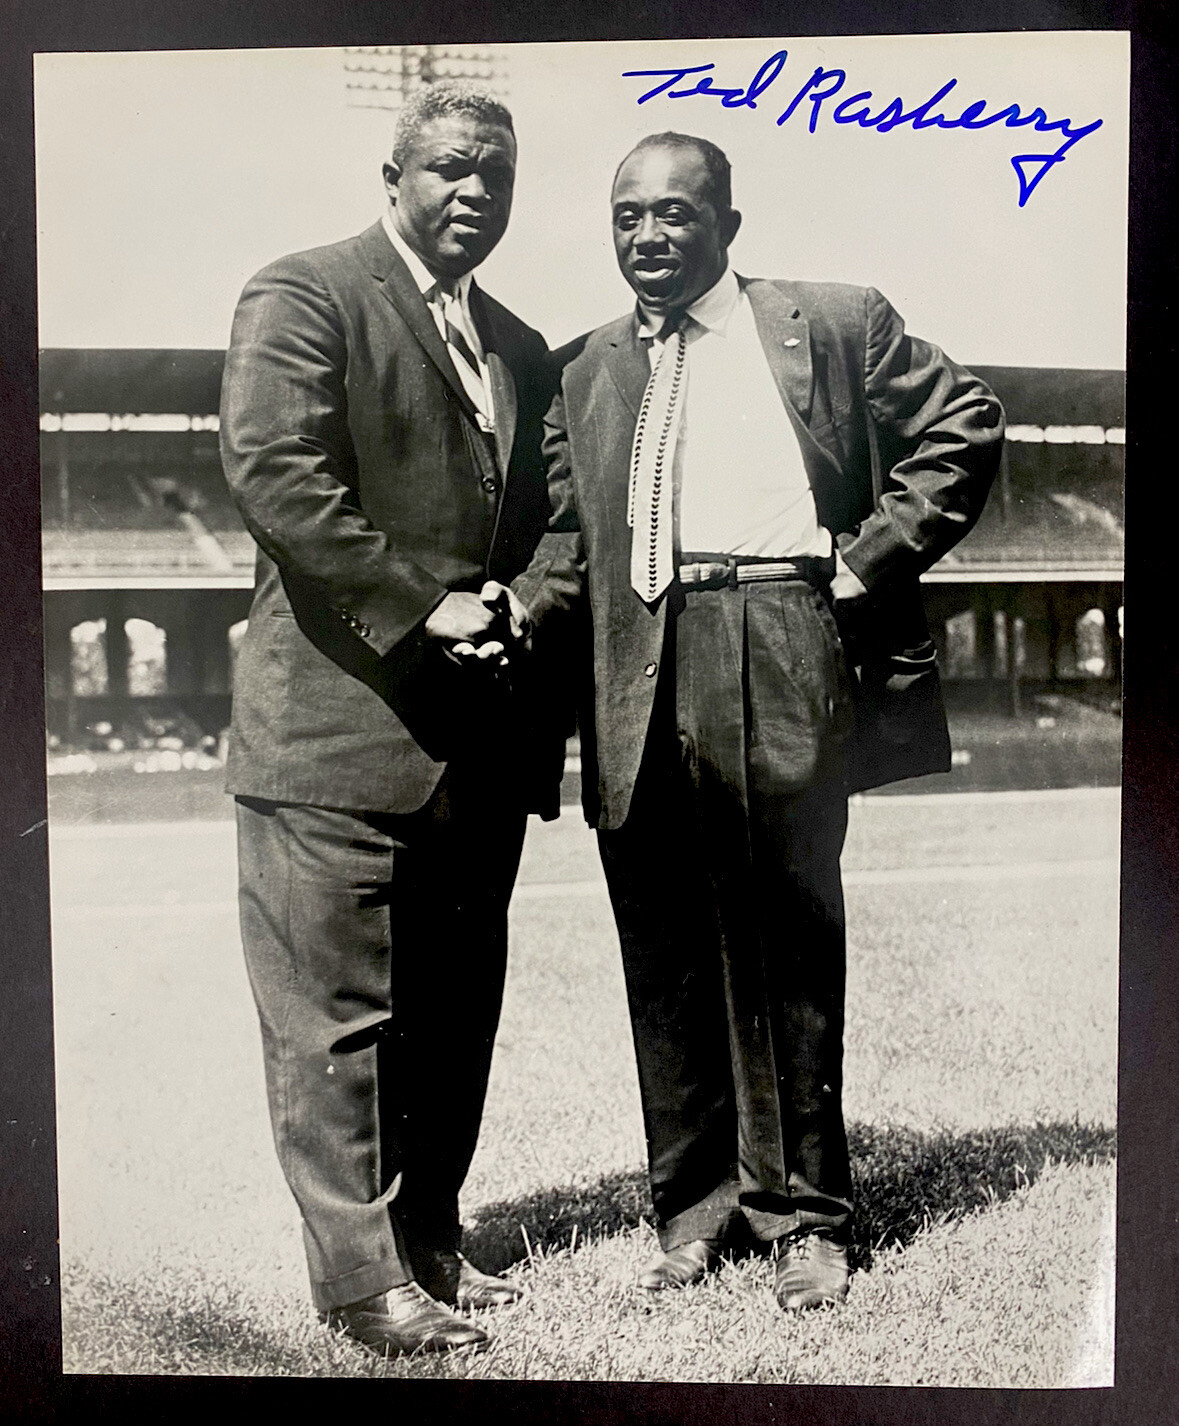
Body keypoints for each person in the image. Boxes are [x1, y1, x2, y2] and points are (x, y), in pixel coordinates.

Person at [513, 131, 1004, 1314]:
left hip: (777, 629)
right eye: (627, 215)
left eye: (675, 214)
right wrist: (526, 596)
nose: (648, 236)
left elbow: (965, 424)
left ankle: (807, 1219)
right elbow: (575, 536)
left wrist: (868, 556)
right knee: (666, 949)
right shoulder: (584, 369)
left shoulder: (831, 322)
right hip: (639, 656)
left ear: (728, 222)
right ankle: (694, 1212)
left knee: (784, 941)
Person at [219, 82, 560, 1357]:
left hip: (475, 747)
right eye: (452, 170)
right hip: (332, 738)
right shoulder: (304, 292)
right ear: (393, 174)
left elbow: (552, 519)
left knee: (452, 1012)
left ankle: (428, 1243)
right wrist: (428, 607)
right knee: (337, 1025)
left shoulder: (519, 344)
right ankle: (363, 1284)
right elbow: (274, 473)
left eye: (498, 177)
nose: (476, 192)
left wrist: (520, 603)